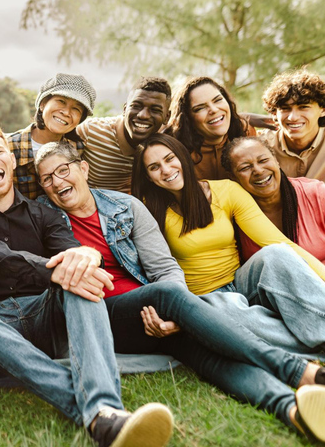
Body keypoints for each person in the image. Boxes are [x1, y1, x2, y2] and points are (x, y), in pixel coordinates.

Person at [34, 140, 325, 441]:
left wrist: (173, 319)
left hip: (152, 312)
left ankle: (293, 410)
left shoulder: (125, 206)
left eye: (62, 170)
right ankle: (300, 371)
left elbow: (164, 268)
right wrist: (171, 303)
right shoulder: (42, 218)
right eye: (47, 179)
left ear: (83, 168)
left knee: (210, 358)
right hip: (103, 313)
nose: (57, 182)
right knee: (166, 295)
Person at [0, 121, 174, 447]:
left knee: (81, 281)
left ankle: (104, 408)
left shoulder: (45, 215)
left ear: (11, 160)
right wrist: (53, 271)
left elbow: (73, 254)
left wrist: (86, 259)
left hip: (45, 316)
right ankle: (96, 414)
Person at [131, 133, 325, 351]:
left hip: (241, 284)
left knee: (276, 253)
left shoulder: (226, 191)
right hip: (202, 300)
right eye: (154, 167)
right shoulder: (146, 210)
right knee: (231, 312)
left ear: (182, 157)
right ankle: (309, 348)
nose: (166, 170)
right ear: (147, 177)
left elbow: (278, 241)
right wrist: (180, 313)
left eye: (169, 159)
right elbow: (152, 270)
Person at [222, 136, 325, 264]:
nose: (258, 171)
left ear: (276, 161)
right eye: (245, 168)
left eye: (263, 160)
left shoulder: (317, 193)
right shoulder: (230, 215)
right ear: (233, 177)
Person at [8, 73, 95, 199]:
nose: (66, 112)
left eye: (76, 109)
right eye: (61, 101)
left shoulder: (78, 149)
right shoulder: (8, 146)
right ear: (42, 104)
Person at [75, 77, 170, 193]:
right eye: (136, 106)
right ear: (125, 109)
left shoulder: (166, 147)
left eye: (155, 110)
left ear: (166, 117)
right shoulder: (91, 131)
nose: (143, 115)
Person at [165, 76, 255, 180]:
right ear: (187, 118)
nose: (214, 110)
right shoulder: (173, 150)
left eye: (218, 100)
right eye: (200, 108)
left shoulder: (245, 131)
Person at [260, 68, 325, 182]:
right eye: (285, 109)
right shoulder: (261, 145)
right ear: (274, 113)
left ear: (323, 110)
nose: (293, 117)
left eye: (304, 107)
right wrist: (245, 118)